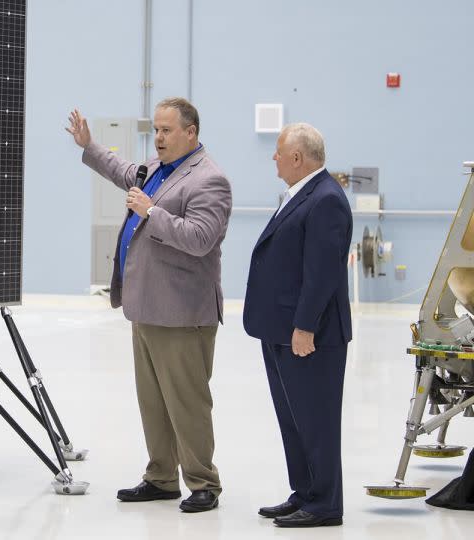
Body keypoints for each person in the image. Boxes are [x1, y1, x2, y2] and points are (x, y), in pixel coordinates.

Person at [66, 97, 231, 512]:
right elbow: (124, 173)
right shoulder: (159, 169)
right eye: (156, 130)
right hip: (147, 308)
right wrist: (90, 145)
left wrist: (151, 211)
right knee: (153, 401)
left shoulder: (208, 179)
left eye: (166, 130)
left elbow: (199, 239)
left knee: (187, 401)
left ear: (190, 133)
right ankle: (160, 477)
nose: (157, 138)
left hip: (181, 313)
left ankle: (203, 483)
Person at [243, 123, 352, 528]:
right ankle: (305, 493)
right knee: (294, 420)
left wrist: (305, 326)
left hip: (309, 335)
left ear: (297, 158)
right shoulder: (302, 195)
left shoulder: (326, 199)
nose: (273, 157)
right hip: (280, 330)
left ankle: (324, 503)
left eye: (277, 151)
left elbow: (322, 273)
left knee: (316, 421)